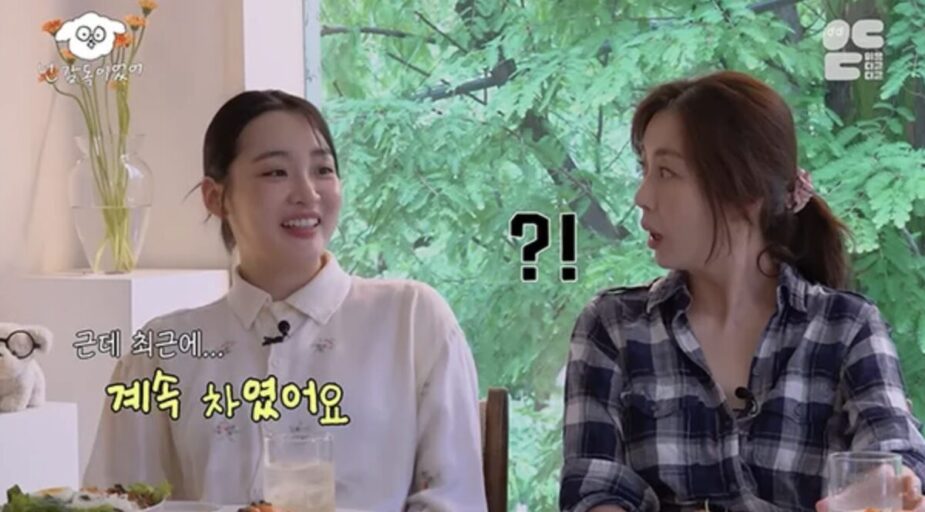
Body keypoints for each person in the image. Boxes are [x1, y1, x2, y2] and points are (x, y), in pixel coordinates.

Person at [85, 90, 488, 512]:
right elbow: (111, 502)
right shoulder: (160, 352)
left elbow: (454, 501)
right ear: (216, 197)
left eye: (323, 170)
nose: (307, 193)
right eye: (276, 172)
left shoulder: (412, 319)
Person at [558, 70, 925, 512]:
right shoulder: (612, 326)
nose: (642, 195)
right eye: (644, 169)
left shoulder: (847, 327)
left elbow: (897, 450)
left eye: (666, 172)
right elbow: (593, 488)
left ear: (745, 191)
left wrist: (880, 488)